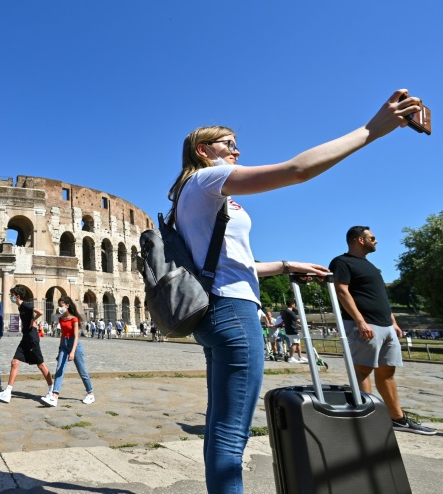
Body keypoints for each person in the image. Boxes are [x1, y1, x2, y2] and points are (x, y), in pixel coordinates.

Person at [167, 90, 425, 493]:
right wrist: (371, 130)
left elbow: (227, 265)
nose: (237, 150)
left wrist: (286, 265)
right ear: (203, 151)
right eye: (228, 144)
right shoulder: (207, 178)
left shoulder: (189, 193)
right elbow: (298, 170)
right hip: (233, 312)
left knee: (221, 424)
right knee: (232, 431)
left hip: (215, 310)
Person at [329, 226, 435, 436]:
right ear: (360, 240)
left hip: (385, 325)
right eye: (372, 238)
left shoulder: (370, 266)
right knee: (362, 370)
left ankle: (397, 419)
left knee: (387, 372)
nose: (376, 241)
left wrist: (393, 322)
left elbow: (379, 297)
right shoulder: (342, 262)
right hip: (365, 325)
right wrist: (360, 321)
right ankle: (366, 418)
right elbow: (342, 291)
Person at [0, 286, 53, 403]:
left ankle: (52, 390)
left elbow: (40, 312)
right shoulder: (20, 307)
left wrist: (33, 320)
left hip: (32, 338)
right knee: (14, 362)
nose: (10, 297)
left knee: (41, 365)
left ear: (17, 296)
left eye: (11, 295)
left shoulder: (25, 305)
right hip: (25, 337)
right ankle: (8, 393)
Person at [41, 297, 94, 407]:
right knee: (59, 369)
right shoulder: (61, 319)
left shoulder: (74, 319)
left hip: (74, 345)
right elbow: (62, 334)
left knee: (82, 370)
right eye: (59, 306)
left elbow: (76, 336)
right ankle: (54, 396)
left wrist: (73, 351)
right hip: (64, 345)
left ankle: (90, 393)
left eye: (61, 306)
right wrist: (59, 350)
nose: (60, 308)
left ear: (67, 305)